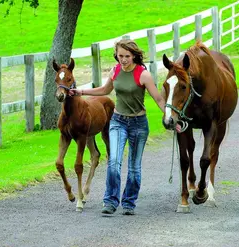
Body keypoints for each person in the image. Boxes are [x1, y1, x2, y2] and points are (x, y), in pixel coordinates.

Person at [69, 39, 179, 215]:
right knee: (113, 162)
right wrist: (81, 92)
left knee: (134, 168)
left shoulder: (143, 74)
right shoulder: (116, 70)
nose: (123, 59)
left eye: (127, 56)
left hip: (138, 124)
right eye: (120, 55)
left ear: (134, 55)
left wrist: (170, 119)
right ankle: (110, 201)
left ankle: (128, 202)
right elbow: (104, 90)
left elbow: (158, 99)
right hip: (118, 121)